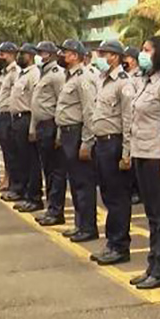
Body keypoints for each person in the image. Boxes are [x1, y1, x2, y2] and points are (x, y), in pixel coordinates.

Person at [127, 36, 160, 289]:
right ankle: (152, 266)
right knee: (152, 216)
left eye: (147, 50)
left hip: (158, 155)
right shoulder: (146, 82)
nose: (142, 54)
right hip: (142, 152)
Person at [88, 40, 134, 266]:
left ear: (115, 57)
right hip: (101, 143)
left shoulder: (123, 83)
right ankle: (112, 243)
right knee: (107, 195)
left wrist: (126, 153)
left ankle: (119, 245)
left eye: (104, 54)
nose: (99, 58)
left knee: (118, 198)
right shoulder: (101, 80)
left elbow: (128, 119)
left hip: (114, 143)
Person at [56, 39, 98, 243]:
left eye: (65, 52)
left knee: (83, 182)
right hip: (67, 132)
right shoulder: (68, 77)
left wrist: (87, 142)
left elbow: (89, 112)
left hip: (77, 132)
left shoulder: (84, 78)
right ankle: (80, 224)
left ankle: (88, 226)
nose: (62, 55)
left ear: (74, 55)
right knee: (74, 182)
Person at [30, 42, 67, 227]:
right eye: (40, 53)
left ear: (52, 55)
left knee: (56, 171)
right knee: (48, 170)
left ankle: (56, 210)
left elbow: (61, 103)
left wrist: (59, 133)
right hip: (42, 125)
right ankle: (51, 207)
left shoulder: (57, 75)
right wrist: (33, 128)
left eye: (44, 53)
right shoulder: (42, 73)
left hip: (52, 124)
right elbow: (36, 103)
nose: (41, 56)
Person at [8, 43, 44, 213]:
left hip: (27, 118)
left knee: (31, 162)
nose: (19, 57)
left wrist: (32, 127)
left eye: (22, 54)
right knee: (22, 160)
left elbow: (35, 101)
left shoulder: (34, 74)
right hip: (17, 119)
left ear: (29, 56)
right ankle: (24, 193)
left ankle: (34, 197)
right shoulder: (21, 74)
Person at [0, 42, 19, 191]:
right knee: (5, 150)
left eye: (3, 54)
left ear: (12, 54)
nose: (0, 57)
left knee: (12, 152)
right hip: (0, 114)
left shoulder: (16, 72)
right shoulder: (3, 72)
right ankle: (7, 179)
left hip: (10, 114)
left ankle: (13, 182)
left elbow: (15, 95)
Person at [122, 45, 144, 207]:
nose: (124, 60)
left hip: (136, 121)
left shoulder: (139, 77)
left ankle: (138, 191)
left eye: (127, 57)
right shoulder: (125, 76)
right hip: (127, 121)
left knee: (134, 159)